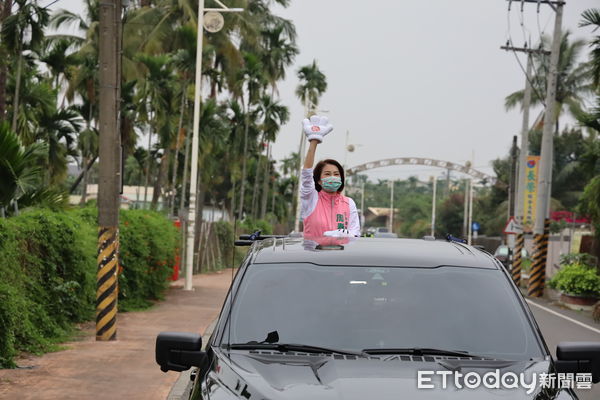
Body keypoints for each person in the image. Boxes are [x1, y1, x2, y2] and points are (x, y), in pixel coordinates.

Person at [300, 115, 360, 237]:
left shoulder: (349, 203)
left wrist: (345, 235)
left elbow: (355, 233)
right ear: (319, 180)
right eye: (327, 174)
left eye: (336, 174)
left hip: (340, 255)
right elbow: (306, 174)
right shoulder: (311, 198)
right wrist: (314, 141)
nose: (333, 177)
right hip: (313, 254)